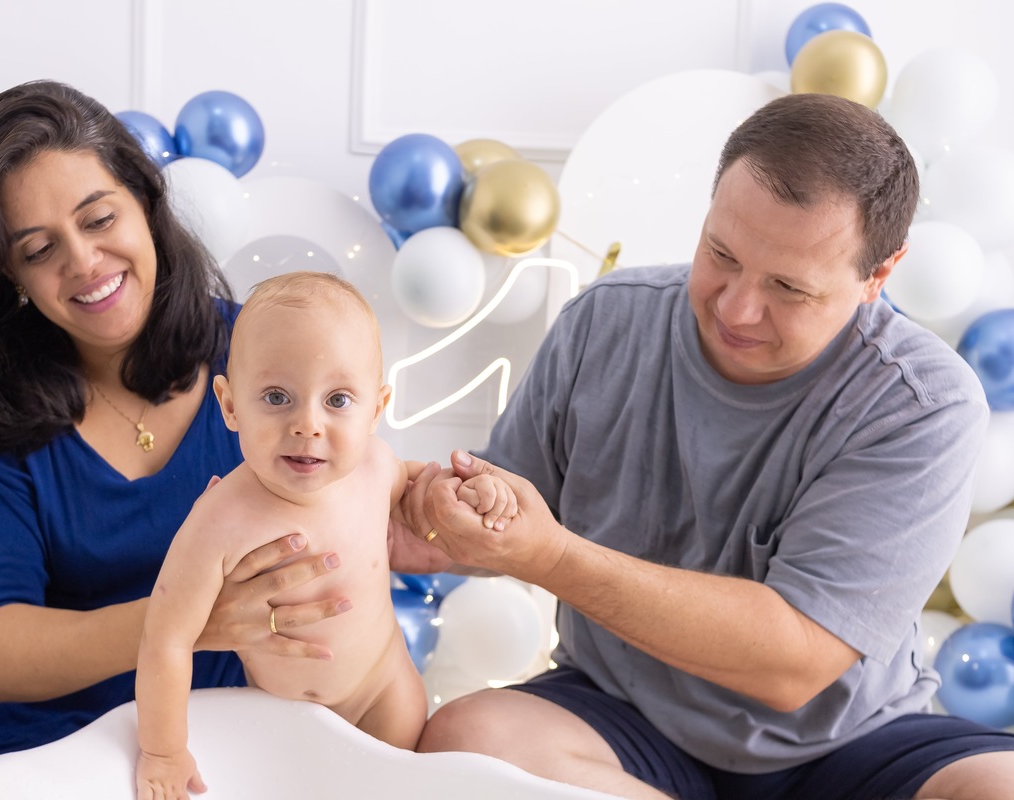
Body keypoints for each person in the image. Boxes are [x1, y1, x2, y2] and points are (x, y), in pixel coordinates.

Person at [401, 93, 1014, 800]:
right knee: (469, 744)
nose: (736, 308)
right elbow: (495, 517)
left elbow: (792, 663)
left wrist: (551, 556)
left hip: (851, 740)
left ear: (879, 275)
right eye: (721, 253)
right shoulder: (604, 322)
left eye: (788, 287)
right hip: (618, 712)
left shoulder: (923, 402)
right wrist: (432, 511)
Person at [0, 81, 350, 799]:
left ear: (147, 206)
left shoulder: (265, 350)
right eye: (39, 249)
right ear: (12, 276)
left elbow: (361, 486)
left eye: (99, 218)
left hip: (164, 716)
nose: (85, 261)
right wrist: (187, 617)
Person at [134, 271, 517, 799]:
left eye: (337, 400)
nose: (307, 424)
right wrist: (164, 751)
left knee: (395, 786)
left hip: (385, 690)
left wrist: (474, 494)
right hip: (281, 711)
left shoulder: (380, 469)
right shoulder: (219, 522)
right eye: (275, 396)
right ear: (229, 405)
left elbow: (430, 495)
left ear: (376, 410)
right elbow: (166, 639)